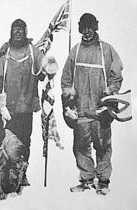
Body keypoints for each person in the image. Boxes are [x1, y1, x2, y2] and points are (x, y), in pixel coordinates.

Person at [61, 13, 123, 195]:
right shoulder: (76, 50)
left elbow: (116, 76)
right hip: (81, 110)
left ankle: (103, 181)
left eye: (90, 28)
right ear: (80, 29)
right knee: (80, 146)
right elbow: (66, 78)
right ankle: (87, 179)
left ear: (95, 28)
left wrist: (110, 93)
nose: (87, 32)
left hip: (101, 109)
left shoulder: (106, 50)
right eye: (84, 28)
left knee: (102, 145)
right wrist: (69, 97)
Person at [0, 19, 51, 182]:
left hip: (27, 107)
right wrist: (0, 104)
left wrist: (50, 68)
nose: (17, 33)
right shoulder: (5, 53)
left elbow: (45, 68)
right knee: (7, 141)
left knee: (24, 141)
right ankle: (8, 174)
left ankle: (21, 173)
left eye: (20, 30)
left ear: (25, 32)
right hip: (8, 110)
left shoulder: (33, 51)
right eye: (14, 30)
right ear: (10, 32)